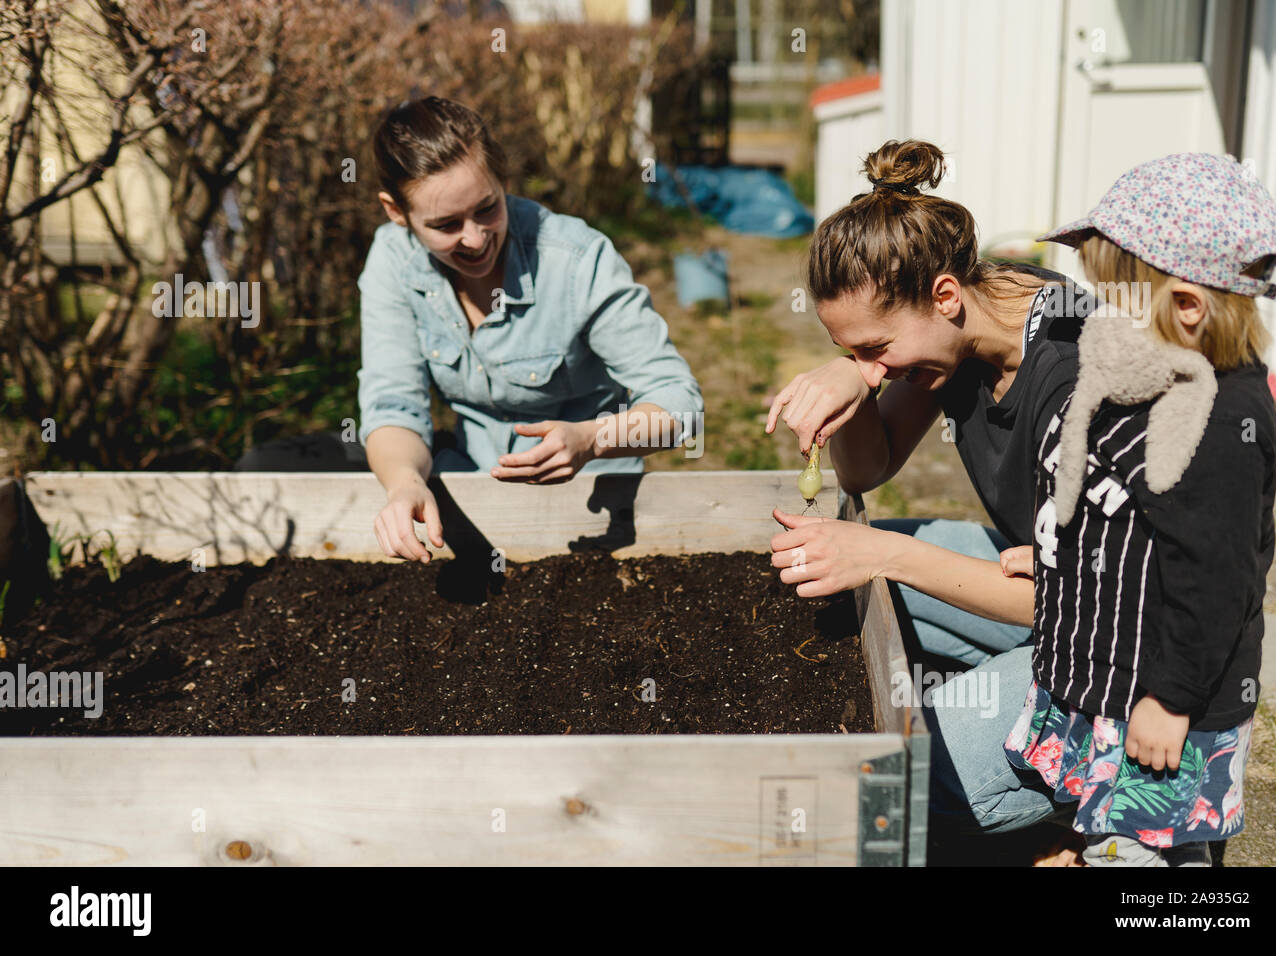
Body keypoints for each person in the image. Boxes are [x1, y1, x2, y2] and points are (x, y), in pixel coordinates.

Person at [765, 139, 1096, 838]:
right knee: (858, 571)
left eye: (875, 349)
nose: (874, 369)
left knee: (903, 767)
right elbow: (867, 469)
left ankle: (1100, 800)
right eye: (851, 350)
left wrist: (882, 556)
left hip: (1119, 647)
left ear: (944, 296)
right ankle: (1015, 703)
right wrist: (853, 383)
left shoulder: (1075, 376)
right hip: (1031, 573)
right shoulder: (970, 318)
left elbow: (1076, 602)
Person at [996, 152, 1276, 866]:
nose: (1101, 313)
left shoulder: (1220, 422)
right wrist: (1060, 554)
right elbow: (1132, 516)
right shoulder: (1151, 377)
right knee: (1112, 841)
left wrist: (1171, 698)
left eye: (1117, 297)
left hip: (1163, 700)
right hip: (1115, 680)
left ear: (1186, 307)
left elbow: (1217, 580)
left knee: (1150, 855)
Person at [358, 96, 703, 563]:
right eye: (445, 224)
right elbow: (393, 404)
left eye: (487, 208)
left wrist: (592, 438)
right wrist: (404, 484)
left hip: (595, 504)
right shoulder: (392, 260)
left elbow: (681, 408)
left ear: (503, 182)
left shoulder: (576, 259)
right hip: (478, 495)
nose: (476, 238)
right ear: (396, 212)